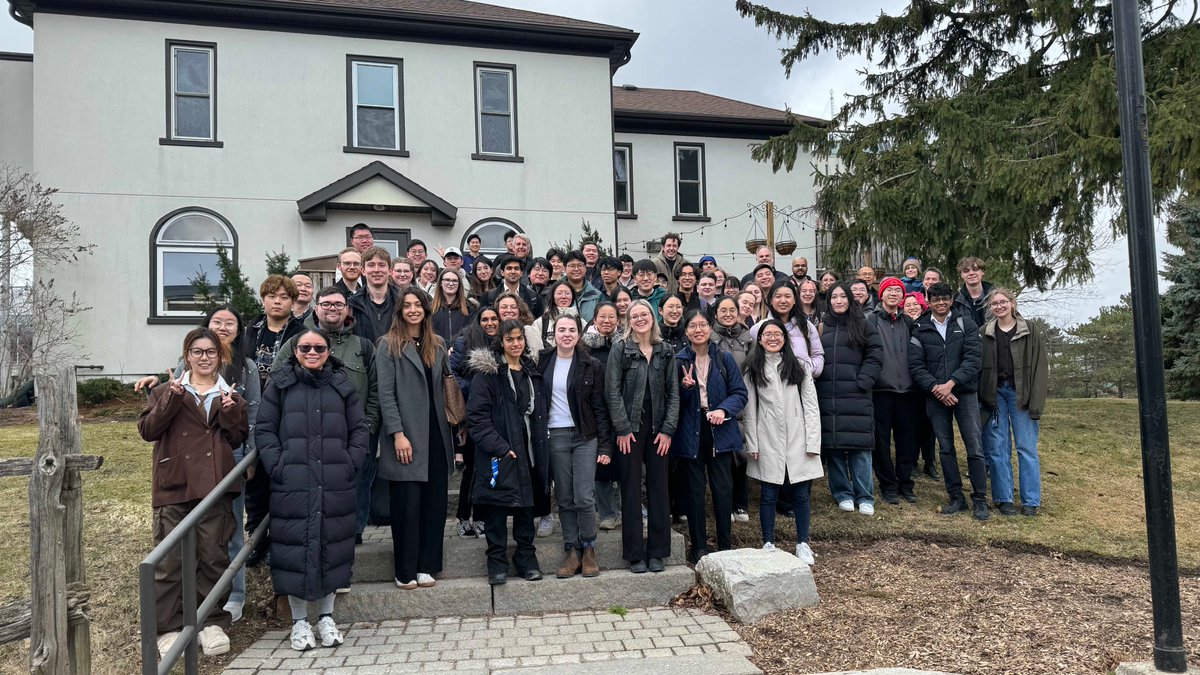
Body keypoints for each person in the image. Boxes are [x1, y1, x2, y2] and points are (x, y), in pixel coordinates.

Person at [133, 305, 261, 622]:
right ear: (187, 356)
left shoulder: (231, 394)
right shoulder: (167, 390)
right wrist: (170, 397)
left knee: (214, 555)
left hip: (215, 484)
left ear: (221, 357)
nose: (204, 358)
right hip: (175, 482)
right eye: (197, 352)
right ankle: (166, 625)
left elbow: (235, 437)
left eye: (210, 353)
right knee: (168, 559)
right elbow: (148, 431)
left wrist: (232, 411)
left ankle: (211, 620)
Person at [257, 328, 368, 651]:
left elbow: (359, 428)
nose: (312, 352)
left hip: (335, 479)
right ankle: (299, 621)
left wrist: (350, 462)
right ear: (295, 351)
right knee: (295, 548)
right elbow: (264, 429)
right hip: (293, 480)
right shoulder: (280, 385)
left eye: (318, 347)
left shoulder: (341, 384)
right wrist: (278, 465)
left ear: (328, 350)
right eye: (305, 347)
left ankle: (327, 617)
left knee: (332, 548)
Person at [272, 287, 380, 545]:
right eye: (327, 304)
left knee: (358, 481)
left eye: (338, 304)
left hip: (354, 432)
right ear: (316, 307)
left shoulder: (362, 346)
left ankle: (355, 530)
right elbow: (277, 383)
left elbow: (376, 389)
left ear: (347, 310)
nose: (333, 309)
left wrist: (368, 425)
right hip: (308, 433)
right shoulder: (297, 342)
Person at [376, 288, 455, 589]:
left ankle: (427, 565)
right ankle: (405, 569)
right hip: (406, 434)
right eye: (407, 305)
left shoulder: (437, 343)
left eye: (417, 305)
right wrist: (397, 434)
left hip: (436, 433)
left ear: (425, 310)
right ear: (399, 311)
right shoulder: (387, 345)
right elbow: (385, 394)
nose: (412, 310)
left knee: (434, 504)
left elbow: (447, 387)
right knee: (407, 505)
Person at [465, 319, 547, 585]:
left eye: (519, 338)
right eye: (510, 339)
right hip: (499, 452)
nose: (516, 343)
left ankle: (526, 558)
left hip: (530, 450)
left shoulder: (532, 371)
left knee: (526, 507)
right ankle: (496, 561)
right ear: (501, 341)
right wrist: (501, 448)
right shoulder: (487, 375)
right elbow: (476, 419)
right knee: (496, 509)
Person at [535, 313, 613, 578]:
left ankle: (589, 548)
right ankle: (571, 549)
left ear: (579, 334)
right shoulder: (543, 361)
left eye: (571, 330)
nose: (566, 334)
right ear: (553, 334)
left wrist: (605, 446)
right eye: (561, 330)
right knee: (565, 496)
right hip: (554, 436)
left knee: (583, 495)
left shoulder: (591, 365)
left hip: (585, 437)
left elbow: (600, 408)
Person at [605, 300, 679, 573]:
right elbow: (612, 391)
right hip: (630, 428)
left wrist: (668, 430)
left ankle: (658, 552)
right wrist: (622, 428)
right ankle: (635, 553)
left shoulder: (666, 351)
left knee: (660, 488)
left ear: (652, 317)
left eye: (644, 314)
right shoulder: (620, 349)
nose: (639, 319)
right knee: (631, 488)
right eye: (634, 315)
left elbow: (673, 394)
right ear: (628, 321)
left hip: (658, 427)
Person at [741, 318, 822, 565]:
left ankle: (803, 543)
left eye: (778, 334)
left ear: (785, 339)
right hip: (767, 437)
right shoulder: (753, 368)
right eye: (768, 334)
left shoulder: (798, 367)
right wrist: (752, 443)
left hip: (798, 435)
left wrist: (812, 442)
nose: (773, 338)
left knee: (800, 495)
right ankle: (768, 542)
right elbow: (749, 410)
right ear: (760, 339)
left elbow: (811, 407)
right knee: (768, 493)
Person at [908, 282, 988, 520]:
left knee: (974, 447)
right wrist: (937, 388)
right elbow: (916, 366)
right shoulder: (920, 328)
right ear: (928, 301)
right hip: (935, 397)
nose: (940, 303)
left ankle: (980, 499)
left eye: (945, 298)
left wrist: (951, 384)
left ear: (951, 300)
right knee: (945, 448)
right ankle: (956, 497)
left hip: (964, 395)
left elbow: (974, 359)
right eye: (935, 299)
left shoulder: (966, 324)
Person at [675, 309, 747, 563]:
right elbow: (673, 401)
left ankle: (725, 545)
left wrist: (724, 409)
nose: (698, 329)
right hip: (690, 431)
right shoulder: (679, 360)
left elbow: (740, 393)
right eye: (692, 325)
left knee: (723, 489)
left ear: (710, 329)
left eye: (702, 325)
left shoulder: (724, 359)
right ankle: (699, 547)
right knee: (695, 491)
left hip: (720, 428)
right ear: (686, 331)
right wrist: (685, 389)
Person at [243, 275, 305, 566]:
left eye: (283, 297)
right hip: (252, 411)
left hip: (285, 414)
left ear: (293, 302)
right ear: (264, 299)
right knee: (254, 483)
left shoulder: (301, 333)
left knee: (281, 481)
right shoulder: (250, 331)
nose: (277, 301)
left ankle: (280, 542)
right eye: (272, 296)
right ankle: (256, 540)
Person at [980, 288, 1048, 517]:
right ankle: (1004, 497)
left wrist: (1036, 402)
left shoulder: (1029, 330)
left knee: (1026, 447)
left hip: (1022, 396)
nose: (999, 306)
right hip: (996, 395)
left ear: (1012, 303)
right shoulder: (986, 332)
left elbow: (1040, 368)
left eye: (1003, 302)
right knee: (997, 448)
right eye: (994, 304)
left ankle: (1031, 500)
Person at [817, 283, 883, 515]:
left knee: (860, 447)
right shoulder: (822, 327)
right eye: (833, 297)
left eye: (842, 296)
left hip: (856, 394)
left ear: (849, 300)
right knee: (834, 446)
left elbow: (876, 355)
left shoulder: (863, 324)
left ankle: (865, 495)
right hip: (828, 395)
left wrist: (863, 381)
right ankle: (842, 493)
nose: (838, 301)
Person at [867, 277, 920, 505]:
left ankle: (905, 484)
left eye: (898, 290)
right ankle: (888, 484)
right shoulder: (870, 320)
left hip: (907, 391)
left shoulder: (908, 322)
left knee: (907, 440)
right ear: (882, 295)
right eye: (889, 290)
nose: (894, 294)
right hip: (880, 390)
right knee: (881, 441)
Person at [449, 308, 501, 538]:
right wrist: (476, 391)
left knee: (488, 468)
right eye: (485, 319)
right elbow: (450, 374)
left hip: (496, 416)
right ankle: (462, 517)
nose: (490, 323)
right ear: (478, 322)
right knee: (471, 469)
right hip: (471, 415)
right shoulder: (465, 340)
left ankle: (481, 517)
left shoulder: (503, 342)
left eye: (494, 319)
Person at [710, 295, 755, 522]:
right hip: (719, 402)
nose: (728, 315)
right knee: (724, 458)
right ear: (716, 313)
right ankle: (725, 504)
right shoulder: (710, 337)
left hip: (743, 400)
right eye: (723, 310)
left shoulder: (748, 339)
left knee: (742, 454)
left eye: (732, 310)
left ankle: (741, 504)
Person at [584, 302, 623, 531]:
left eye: (611, 317)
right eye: (602, 317)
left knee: (626, 463)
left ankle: (629, 509)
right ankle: (608, 512)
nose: (607, 321)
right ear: (594, 320)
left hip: (621, 412)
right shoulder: (585, 347)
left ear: (618, 320)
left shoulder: (625, 344)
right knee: (601, 464)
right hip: (595, 412)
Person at [748, 281, 825, 377]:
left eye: (788, 296)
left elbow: (817, 355)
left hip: (801, 385)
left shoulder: (807, 326)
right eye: (778, 296)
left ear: (795, 300)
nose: (783, 300)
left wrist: (808, 371)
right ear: (771, 300)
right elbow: (752, 359)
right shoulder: (758, 328)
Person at [903, 291, 938, 480]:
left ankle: (930, 461)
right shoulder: (902, 326)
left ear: (922, 306)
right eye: (907, 305)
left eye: (915, 304)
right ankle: (913, 460)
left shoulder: (929, 324)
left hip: (928, 380)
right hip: (909, 382)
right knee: (912, 424)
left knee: (929, 424)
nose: (912, 307)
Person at [350, 247, 402, 345]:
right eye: (371, 265)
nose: (376, 270)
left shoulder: (403, 302)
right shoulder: (352, 304)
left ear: (390, 271)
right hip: (364, 358)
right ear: (363, 271)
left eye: (381, 265)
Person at [430, 268, 478, 343]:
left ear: (459, 284)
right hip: (437, 350)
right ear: (440, 283)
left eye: (454, 281)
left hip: (461, 351)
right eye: (447, 280)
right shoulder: (430, 308)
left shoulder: (470, 308)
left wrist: (454, 347)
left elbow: (471, 333)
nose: (451, 283)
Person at [530, 280, 578, 351]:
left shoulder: (580, 322)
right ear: (552, 296)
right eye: (559, 293)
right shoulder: (541, 322)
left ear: (573, 296)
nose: (563, 296)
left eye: (567, 293)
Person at [562, 250, 602, 322]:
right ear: (564, 268)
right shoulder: (556, 293)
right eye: (572, 266)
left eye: (580, 265)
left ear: (585, 268)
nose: (576, 269)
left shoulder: (597, 295)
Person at [954, 257, 994, 328]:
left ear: (982, 272)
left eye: (975, 269)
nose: (971, 273)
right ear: (961, 275)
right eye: (966, 271)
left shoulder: (996, 296)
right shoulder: (955, 301)